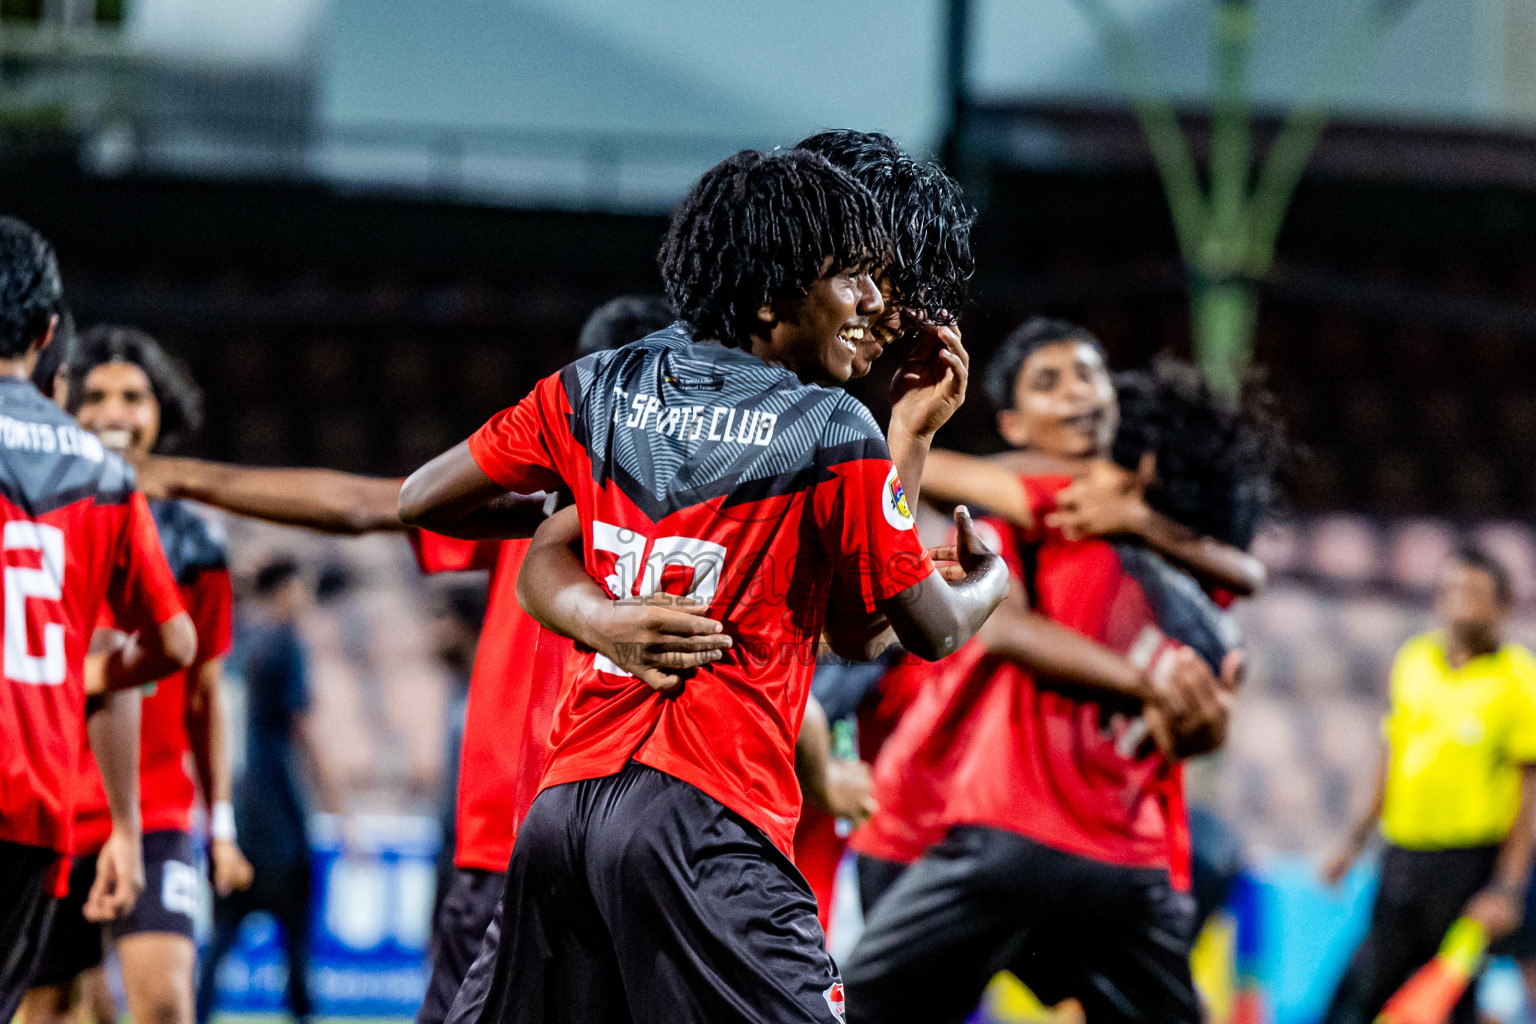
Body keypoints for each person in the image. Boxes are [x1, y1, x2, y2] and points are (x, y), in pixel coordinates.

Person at [399, 147, 1006, 1024]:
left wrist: (606, 561)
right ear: (774, 294)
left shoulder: (604, 385)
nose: (877, 307)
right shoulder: (830, 429)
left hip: (565, 812)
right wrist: (990, 582)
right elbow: (925, 629)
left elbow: (438, 504)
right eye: (856, 279)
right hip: (706, 817)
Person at [129, 297, 669, 1024]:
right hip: (596, 847)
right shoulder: (576, 510)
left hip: (527, 848)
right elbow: (359, 505)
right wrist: (182, 478)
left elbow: (365, 505)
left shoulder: (536, 509)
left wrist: (180, 477)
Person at [842, 321, 1280, 1024]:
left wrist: (1138, 521)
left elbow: (1230, 613)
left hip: (1014, 825)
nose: (1077, 392)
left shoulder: (1114, 525)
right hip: (928, 811)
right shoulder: (1033, 509)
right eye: (1050, 382)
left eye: (1089, 374)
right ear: (1015, 425)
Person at [23, 326, 253, 1024]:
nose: (114, 412)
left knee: (163, 1006)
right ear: (61, 402)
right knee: (50, 1011)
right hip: (48, 805)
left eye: (134, 395)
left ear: (163, 412)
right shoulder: (31, 518)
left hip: (154, 810)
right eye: (94, 395)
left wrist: (219, 825)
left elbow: (206, 697)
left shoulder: (196, 543)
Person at [0, 216, 194, 1022]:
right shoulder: (105, 476)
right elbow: (171, 642)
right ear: (47, 335)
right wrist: (83, 672)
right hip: (35, 808)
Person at [1320, 546, 1536, 1024]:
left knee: (1452, 996)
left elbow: (1529, 797)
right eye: (1454, 590)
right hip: (1403, 855)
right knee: (1367, 988)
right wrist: (1354, 841)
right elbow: (1391, 758)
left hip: (1469, 864)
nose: (1461, 602)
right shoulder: (1413, 662)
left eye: (1475, 593)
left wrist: (1508, 887)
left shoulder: (1519, 679)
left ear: (1502, 606)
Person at [196, 557, 341, 1024]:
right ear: (283, 589)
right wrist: (340, 810)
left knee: (218, 944)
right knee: (296, 944)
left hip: (235, 819)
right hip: (280, 818)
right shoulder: (284, 642)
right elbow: (303, 730)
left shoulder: (233, 646)